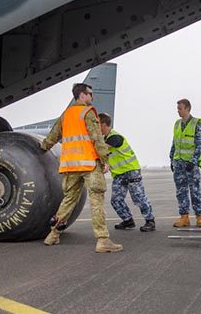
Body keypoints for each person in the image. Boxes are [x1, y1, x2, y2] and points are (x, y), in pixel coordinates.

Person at [40, 83, 123, 253]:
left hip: (70, 165)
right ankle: (102, 240)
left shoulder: (66, 115)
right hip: (89, 163)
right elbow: (97, 138)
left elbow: (52, 137)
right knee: (96, 199)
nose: (92, 97)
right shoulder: (88, 112)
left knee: (69, 199)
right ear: (82, 95)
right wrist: (104, 159)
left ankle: (53, 234)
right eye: (90, 94)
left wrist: (41, 148)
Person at [98, 112, 156, 232]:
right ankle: (128, 220)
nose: (96, 127)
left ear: (104, 124)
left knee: (139, 197)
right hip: (119, 174)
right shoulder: (105, 139)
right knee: (116, 200)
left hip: (131, 171)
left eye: (97, 124)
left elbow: (103, 148)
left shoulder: (115, 137)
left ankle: (150, 221)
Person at [170, 98, 201, 228]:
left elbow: (199, 145)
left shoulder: (196, 123)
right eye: (177, 109)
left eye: (180, 108)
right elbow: (174, 142)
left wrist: (194, 161)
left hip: (190, 164)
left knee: (194, 190)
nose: (178, 111)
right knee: (181, 191)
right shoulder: (177, 124)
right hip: (178, 162)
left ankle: (199, 217)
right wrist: (171, 158)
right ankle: (184, 217)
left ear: (187, 109)